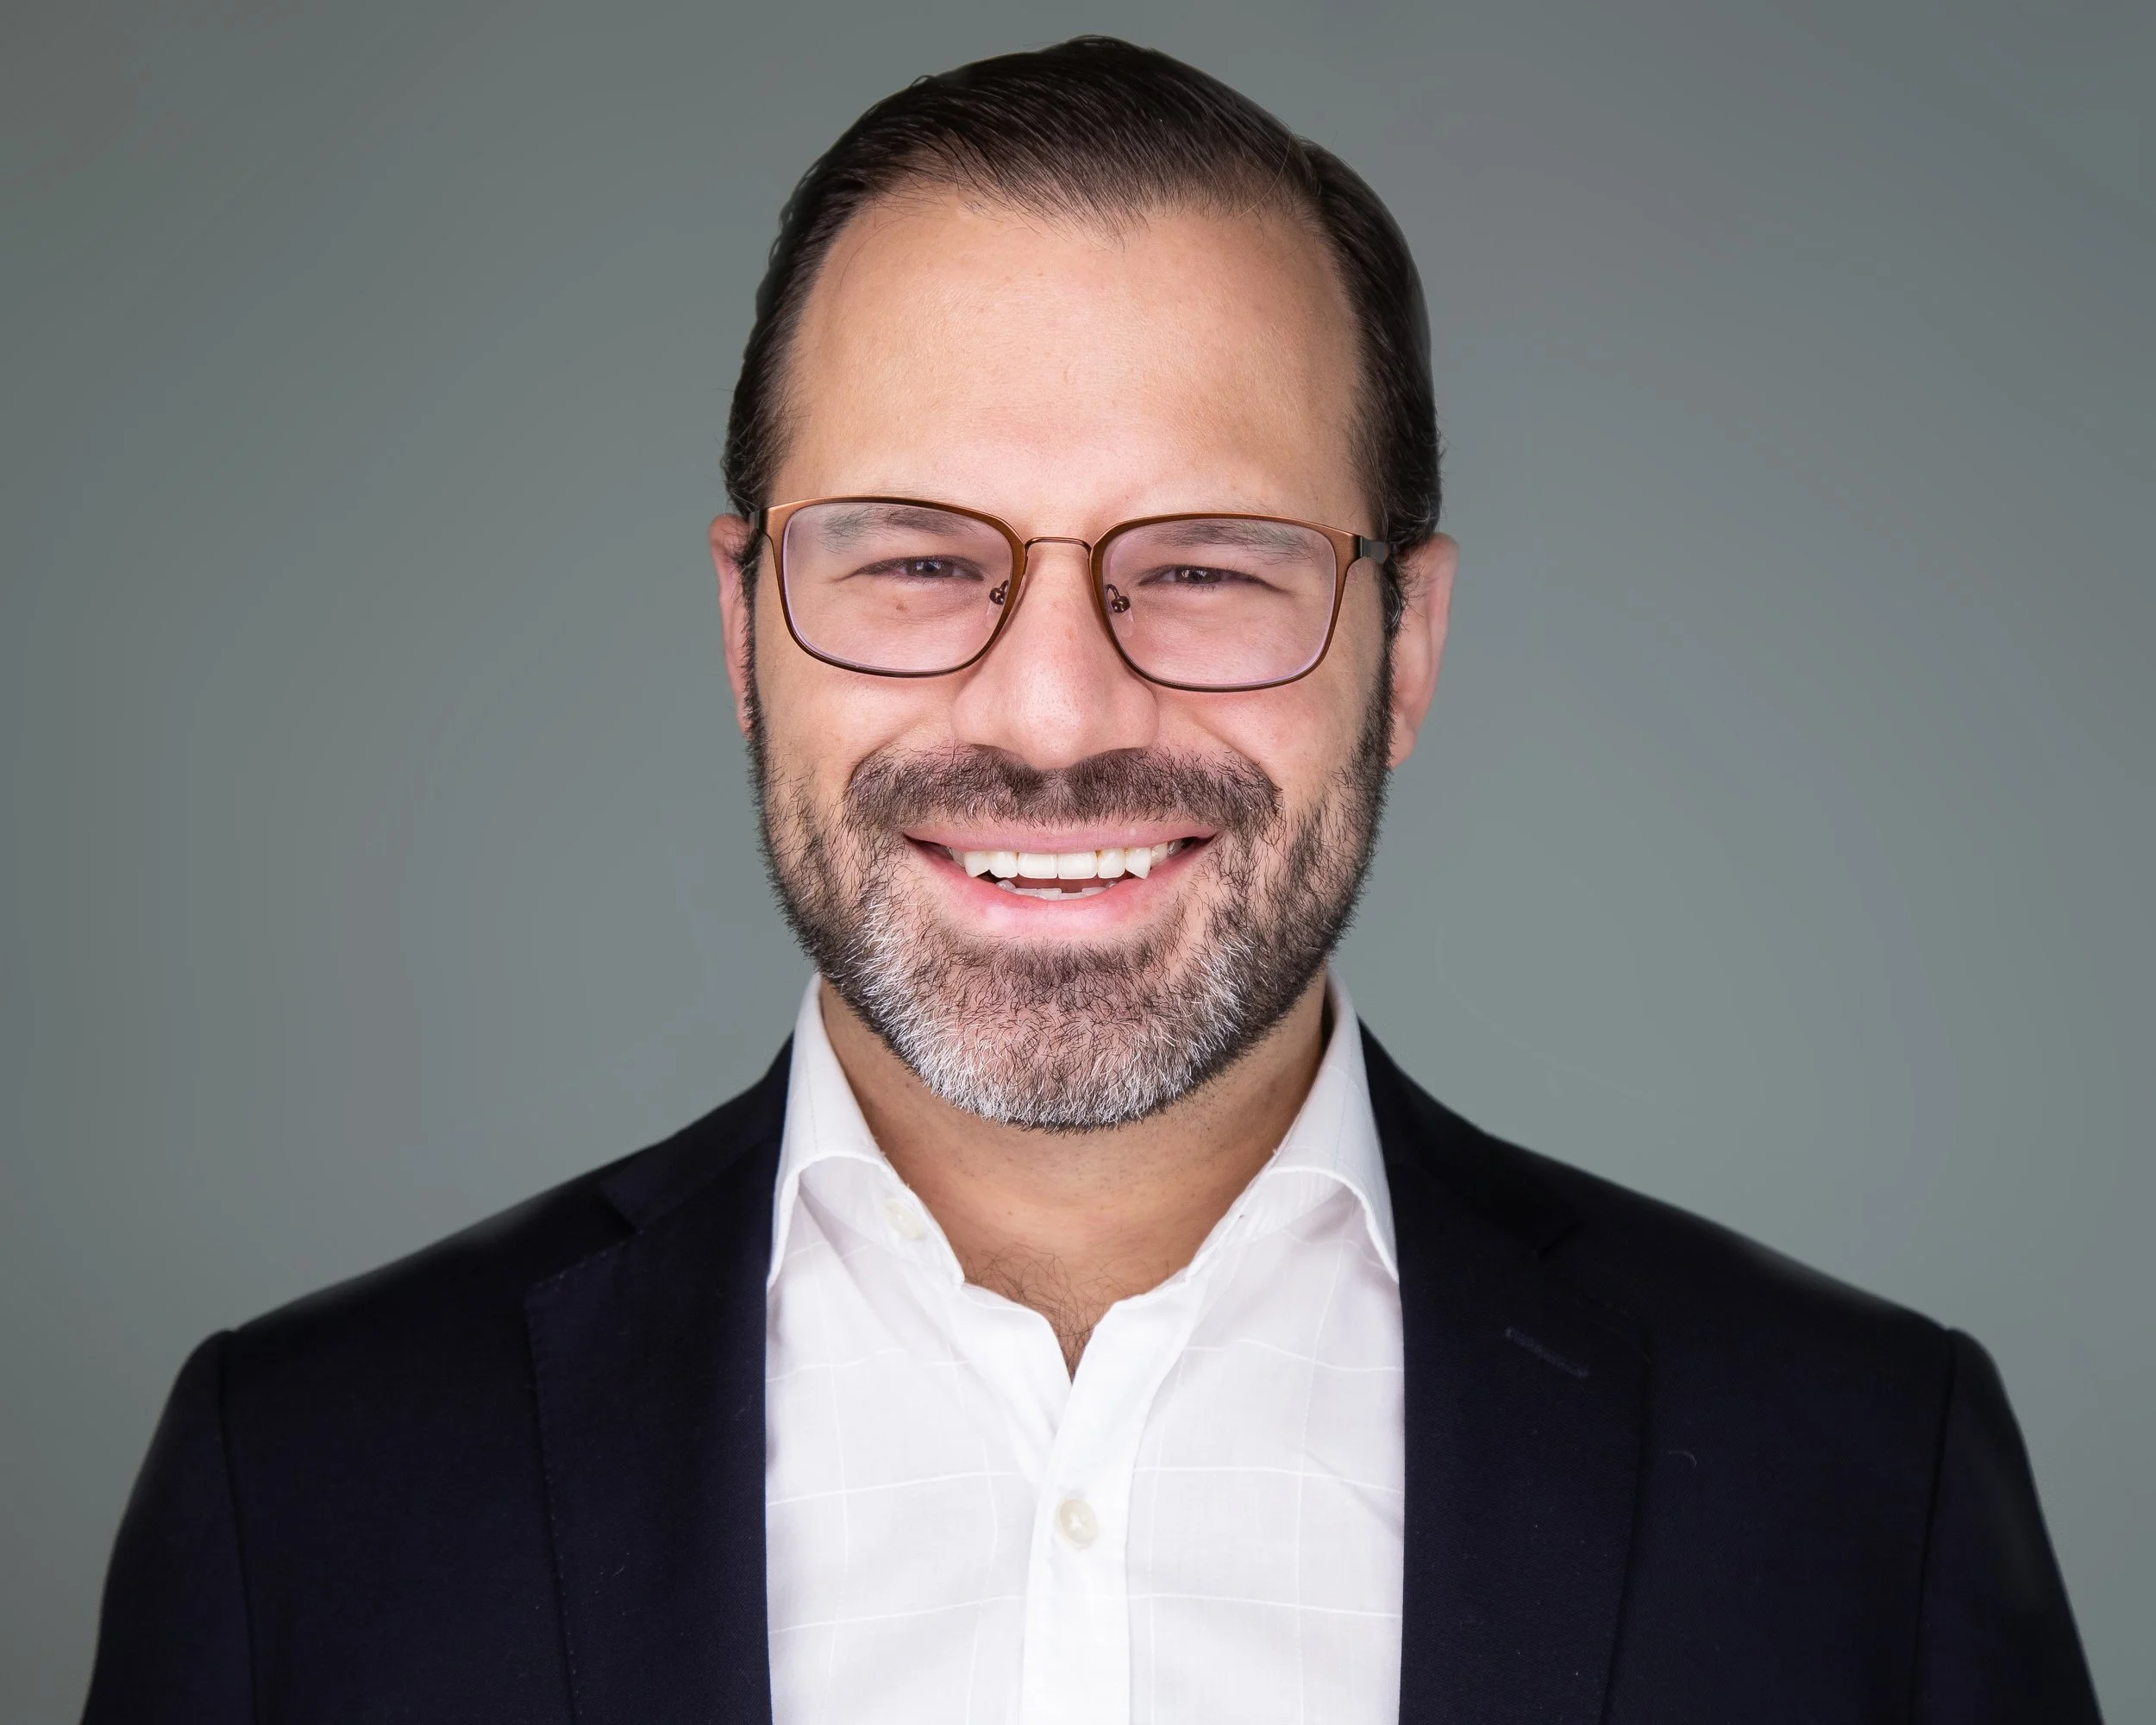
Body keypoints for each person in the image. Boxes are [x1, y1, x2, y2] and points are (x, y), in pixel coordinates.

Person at [82, 36, 2099, 1725]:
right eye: (914, 558)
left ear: (1402, 648)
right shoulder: (300, 1487)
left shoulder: (1863, 1480)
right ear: (743, 630)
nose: (1051, 713)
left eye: (1204, 564)